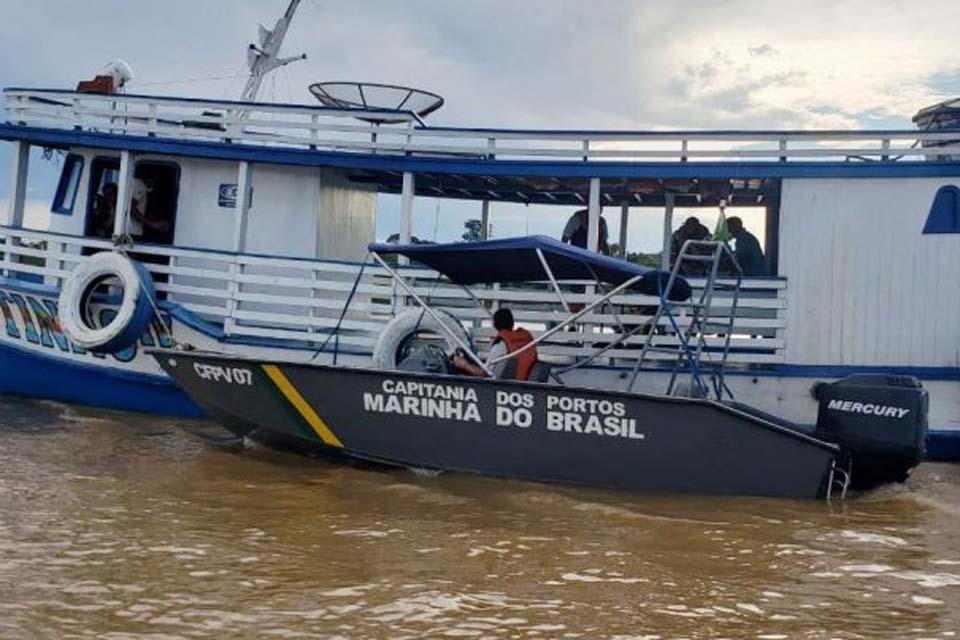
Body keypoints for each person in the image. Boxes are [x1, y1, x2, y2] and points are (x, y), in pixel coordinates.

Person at [453, 308, 538, 381]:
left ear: (494, 325)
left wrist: (464, 364)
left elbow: (483, 373)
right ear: (512, 323)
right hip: (520, 383)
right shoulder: (525, 340)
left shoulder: (501, 345)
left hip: (498, 387)